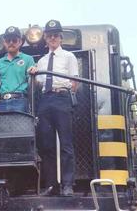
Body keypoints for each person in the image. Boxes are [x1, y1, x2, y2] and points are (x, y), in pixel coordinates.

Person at [34, 20, 79, 196]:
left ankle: (68, 184)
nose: (52, 38)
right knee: (47, 145)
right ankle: (51, 185)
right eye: (49, 35)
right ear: (45, 38)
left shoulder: (69, 57)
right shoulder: (42, 61)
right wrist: (33, 72)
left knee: (66, 143)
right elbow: (38, 83)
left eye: (55, 35)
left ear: (60, 38)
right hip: (45, 100)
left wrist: (65, 92)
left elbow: (75, 82)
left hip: (62, 98)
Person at [0, 26, 36, 112]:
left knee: (19, 126)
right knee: (1, 126)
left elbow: (33, 84)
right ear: (4, 43)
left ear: (20, 42)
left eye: (14, 40)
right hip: (1, 102)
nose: (11, 43)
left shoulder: (28, 59)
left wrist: (34, 73)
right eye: (8, 40)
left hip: (20, 101)